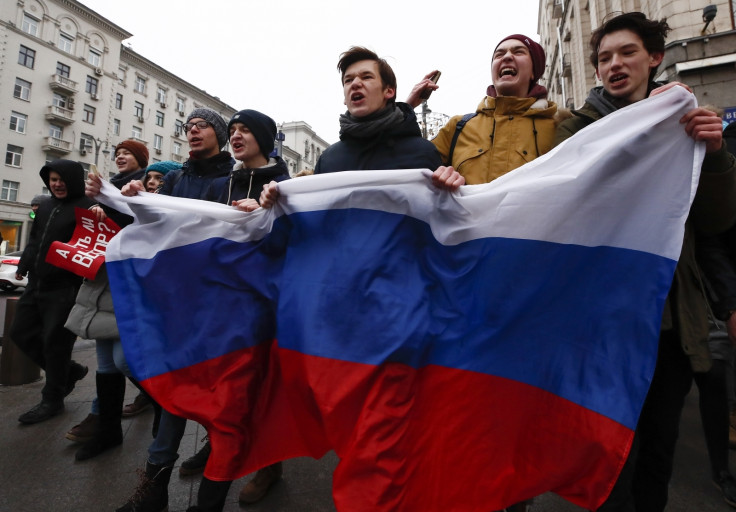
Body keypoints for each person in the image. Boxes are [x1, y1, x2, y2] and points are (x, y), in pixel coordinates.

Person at [554, 12, 736, 511]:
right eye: (605, 58)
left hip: (670, 324)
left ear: (654, 58)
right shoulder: (575, 129)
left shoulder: (687, 124)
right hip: (604, 327)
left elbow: (717, 220)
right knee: (613, 456)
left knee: (658, 450)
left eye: (627, 53)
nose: (615, 65)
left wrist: (714, 152)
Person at [87, 107, 234, 512]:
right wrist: (120, 198)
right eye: (188, 127)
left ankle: (214, 466)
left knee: (218, 395)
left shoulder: (233, 180)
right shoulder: (175, 179)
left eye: (202, 126)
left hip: (216, 306)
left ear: (219, 134)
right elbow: (150, 223)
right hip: (172, 300)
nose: (193, 132)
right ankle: (154, 487)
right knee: (171, 392)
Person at [260, 46, 458, 210]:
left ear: (389, 91)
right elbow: (312, 222)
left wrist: (455, 188)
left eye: (366, 77)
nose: (355, 83)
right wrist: (273, 205)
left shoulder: (421, 153)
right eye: (348, 80)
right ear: (345, 98)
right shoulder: (329, 160)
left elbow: (444, 221)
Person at [64, 139, 153, 461]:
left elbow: (143, 228)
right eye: (117, 154)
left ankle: (163, 400)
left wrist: (112, 208)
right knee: (105, 363)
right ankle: (108, 429)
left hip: (125, 284)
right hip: (101, 281)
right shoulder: (104, 192)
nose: (120, 158)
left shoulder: (143, 189)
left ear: (141, 160)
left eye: (127, 153)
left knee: (123, 360)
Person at [406, 34, 557, 186]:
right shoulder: (458, 127)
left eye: (518, 52)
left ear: (533, 72)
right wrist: (406, 108)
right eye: (499, 54)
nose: (507, 57)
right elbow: (403, 165)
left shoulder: (557, 128)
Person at [11, 160, 95, 424]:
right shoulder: (45, 205)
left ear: (72, 180)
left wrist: (100, 213)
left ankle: (52, 399)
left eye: (61, 179)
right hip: (36, 283)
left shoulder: (86, 206)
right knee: (20, 333)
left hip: (63, 288)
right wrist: (24, 265)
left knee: (55, 345)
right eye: (52, 179)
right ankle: (70, 372)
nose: (56, 184)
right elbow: (35, 239)